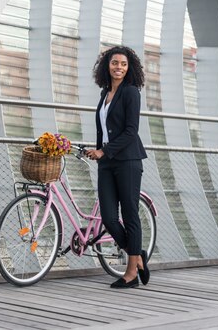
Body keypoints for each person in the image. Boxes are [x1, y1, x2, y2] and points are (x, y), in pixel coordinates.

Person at [85, 45, 149, 289]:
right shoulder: (104, 94)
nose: (118, 67)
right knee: (110, 218)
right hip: (107, 163)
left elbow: (131, 131)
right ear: (107, 66)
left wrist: (104, 150)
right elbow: (105, 128)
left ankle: (131, 272)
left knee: (130, 214)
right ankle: (138, 254)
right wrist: (98, 151)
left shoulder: (131, 93)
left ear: (129, 67)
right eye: (114, 63)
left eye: (123, 64)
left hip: (128, 161)